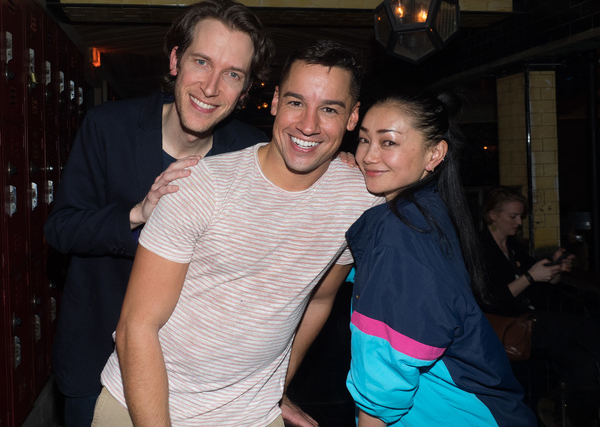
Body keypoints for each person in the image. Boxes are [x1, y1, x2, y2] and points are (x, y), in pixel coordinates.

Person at [93, 40, 383, 427]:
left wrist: (275, 389)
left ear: (352, 118)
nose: (308, 125)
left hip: (253, 417)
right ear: (276, 101)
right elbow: (135, 326)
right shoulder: (199, 185)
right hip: (140, 408)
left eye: (329, 109)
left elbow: (319, 299)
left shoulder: (357, 199)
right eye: (296, 102)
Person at [44, 0, 274, 427]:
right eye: (201, 61)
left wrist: (352, 166)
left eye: (232, 75)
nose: (210, 87)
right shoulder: (107, 127)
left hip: (196, 375)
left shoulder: (251, 153)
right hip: (96, 356)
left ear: (245, 90)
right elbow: (61, 229)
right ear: (175, 60)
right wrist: (137, 213)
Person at [344, 92, 537, 426]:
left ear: (435, 154)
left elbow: (384, 385)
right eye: (363, 139)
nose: (367, 156)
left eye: (388, 142)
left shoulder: (401, 229)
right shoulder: (429, 207)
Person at [480, 186, 600, 424]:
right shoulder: (479, 248)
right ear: (493, 215)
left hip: (528, 323)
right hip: (505, 327)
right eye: (513, 216)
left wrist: (555, 270)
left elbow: (541, 283)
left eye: (520, 217)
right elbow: (491, 300)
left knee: (582, 362)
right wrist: (531, 277)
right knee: (586, 326)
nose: (518, 222)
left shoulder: (513, 245)